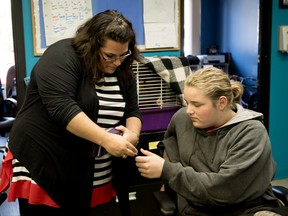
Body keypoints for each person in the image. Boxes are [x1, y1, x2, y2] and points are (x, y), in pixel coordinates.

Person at [0, 10, 141, 216]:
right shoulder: (62, 56)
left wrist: (132, 134)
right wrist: (105, 139)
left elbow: (133, 111)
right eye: (110, 56)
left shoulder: (122, 67)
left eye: (123, 55)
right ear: (92, 45)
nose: (117, 62)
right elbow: (63, 107)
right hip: (45, 156)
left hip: (88, 162)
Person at [135, 67, 282, 215]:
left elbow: (224, 190)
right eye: (187, 103)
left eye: (197, 105)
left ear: (221, 103)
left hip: (248, 209)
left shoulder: (250, 133)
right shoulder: (182, 119)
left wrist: (167, 171)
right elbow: (169, 149)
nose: (189, 110)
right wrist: (168, 183)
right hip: (197, 208)